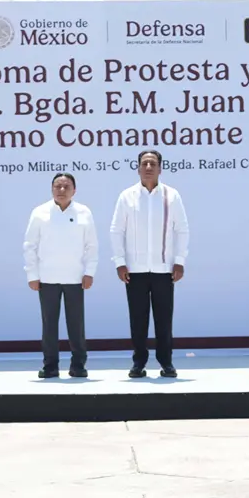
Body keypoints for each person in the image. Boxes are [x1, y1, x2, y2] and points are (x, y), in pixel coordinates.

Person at [109, 149, 189, 379]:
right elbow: (117, 230)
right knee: (138, 319)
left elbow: (181, 229)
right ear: (138, 168)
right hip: (134, 270)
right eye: (144, 163)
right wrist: (120, 262)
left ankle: (166, 363)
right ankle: (138, 363)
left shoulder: (171, 196)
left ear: (160, 168)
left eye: (152, 163)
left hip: (164, 269)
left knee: (164, 319)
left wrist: (180, 261)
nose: (148, 167)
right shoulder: (127, 196)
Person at [23, 172, 98, 378]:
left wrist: (89, 272)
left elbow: (91, 246)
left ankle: (78, 365)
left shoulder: (84, 212)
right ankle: (50, 366)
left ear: (74, 190)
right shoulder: (40, 212)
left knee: (76, 325)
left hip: (75, 278)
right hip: (47, 278)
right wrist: (32, 274)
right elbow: (30, 246)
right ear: (52, 189)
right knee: (49, 325)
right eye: (58, 186)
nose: (62, 190)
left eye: (66, 186)